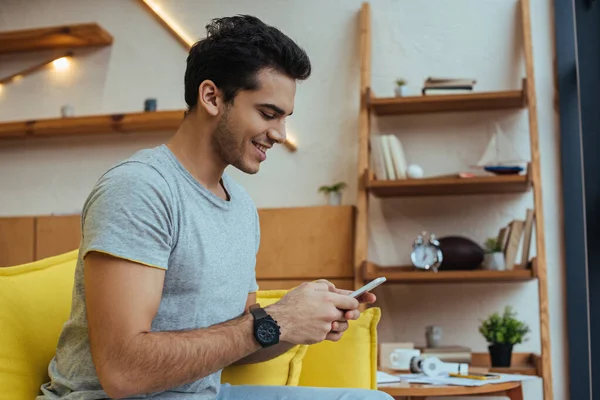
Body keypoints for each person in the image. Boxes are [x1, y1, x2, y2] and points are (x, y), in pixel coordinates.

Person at [37, 14, 393, 400]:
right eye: (268, 114)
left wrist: (299, 324)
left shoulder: (239, 206)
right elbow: (123, 372)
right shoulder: (140, 188)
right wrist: (279, 318)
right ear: (211, 97)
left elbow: (236, 342)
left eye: (284, 118)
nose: (279, 134)